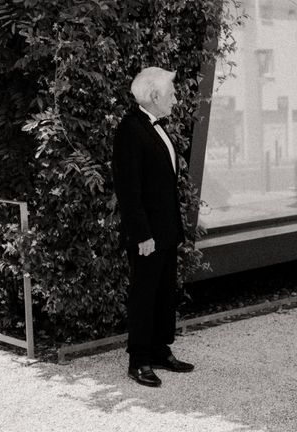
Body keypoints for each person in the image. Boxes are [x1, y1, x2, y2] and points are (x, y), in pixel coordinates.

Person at [112, 67, 194, 387]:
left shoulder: (157, 127)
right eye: (171, 93)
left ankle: (160, 349)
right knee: (144, 295)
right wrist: (141, 233)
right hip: (147, 233)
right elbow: (128, 189)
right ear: (154, 95)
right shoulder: (130, 129)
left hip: (166, 229)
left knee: (163, 293)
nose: (175, 99)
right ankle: (139, 360)